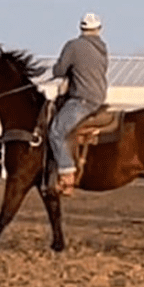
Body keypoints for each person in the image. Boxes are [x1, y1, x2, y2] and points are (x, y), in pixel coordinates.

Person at [48, 12, 109, 196]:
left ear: (81, 28)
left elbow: (59, 70)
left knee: (56, 131)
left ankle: (67, 175)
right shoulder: (102, 49)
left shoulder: (74, 46)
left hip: (81, 100)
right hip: (99, 98)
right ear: (99, 29)